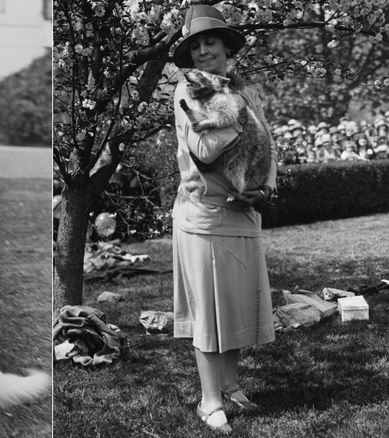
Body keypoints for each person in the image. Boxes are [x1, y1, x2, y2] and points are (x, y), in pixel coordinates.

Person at [171, 4, 277, 433]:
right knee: (209, 313)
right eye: (194, 46)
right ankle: (209, 399)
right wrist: (236, 117)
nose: (202, 52)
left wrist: (266, 188)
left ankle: (231, 385)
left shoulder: (244, 91)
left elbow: (269, 145)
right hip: (205, 217)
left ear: (225, 46)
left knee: (233, 307)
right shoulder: (187, 92)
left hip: (242, 212)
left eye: (209, 42)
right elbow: (205, 149)